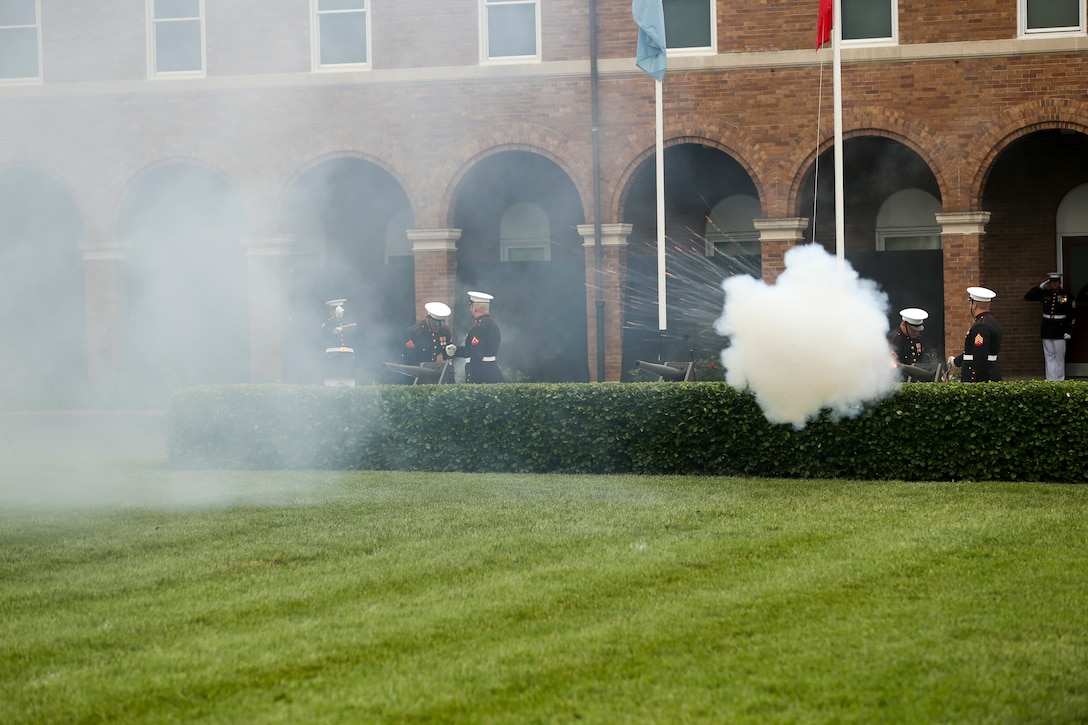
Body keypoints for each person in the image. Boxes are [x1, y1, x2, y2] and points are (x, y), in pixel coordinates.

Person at [1023, 272, 1075, 380]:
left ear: (1059, 283)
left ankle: (1060, 379)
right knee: (1049, 356)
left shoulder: (1066, 295)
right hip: (1047, 328)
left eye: (1056, 282)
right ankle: (1051, 379)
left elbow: (1071, 313)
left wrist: (1068, 330)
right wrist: (1039, 288)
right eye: (1052, 282)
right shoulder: (1045, 294)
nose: (1054, 285)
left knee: (1059, 357)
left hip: (1060, 329)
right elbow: (1028, 297)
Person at [445, 290, 504, 383]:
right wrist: (456, 350)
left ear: (474, 308)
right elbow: (474, 350)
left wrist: (470, 379)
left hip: (481, 376)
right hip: (490, 373)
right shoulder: (492, 324)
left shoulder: (478, 328)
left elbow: (476, 356)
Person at [948, 286, 1002, 383]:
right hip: (989, 372)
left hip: (978, 377)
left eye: (970, 302)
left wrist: (975, 381)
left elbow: (979, 356)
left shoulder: (981, 326)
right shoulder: (990, 322)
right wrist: (956, 361)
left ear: (974, 304)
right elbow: (972, 352)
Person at [321, 298, 357, 386]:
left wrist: (343, 328)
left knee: (348, 378)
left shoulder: (346, 321)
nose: (340, 312)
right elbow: (324, 330)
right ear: (332, 312)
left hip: (347, 355)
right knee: (333, 378)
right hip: (333, 355)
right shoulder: (329, 323)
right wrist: (334, 325)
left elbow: (355, 326)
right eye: (337, 310)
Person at [889, 307, 929, 381]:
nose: (916, 333)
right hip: (900, 381)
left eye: (918, 330)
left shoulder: (918, 339)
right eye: (913, 330)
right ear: (904, 324)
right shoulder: (895, 339)